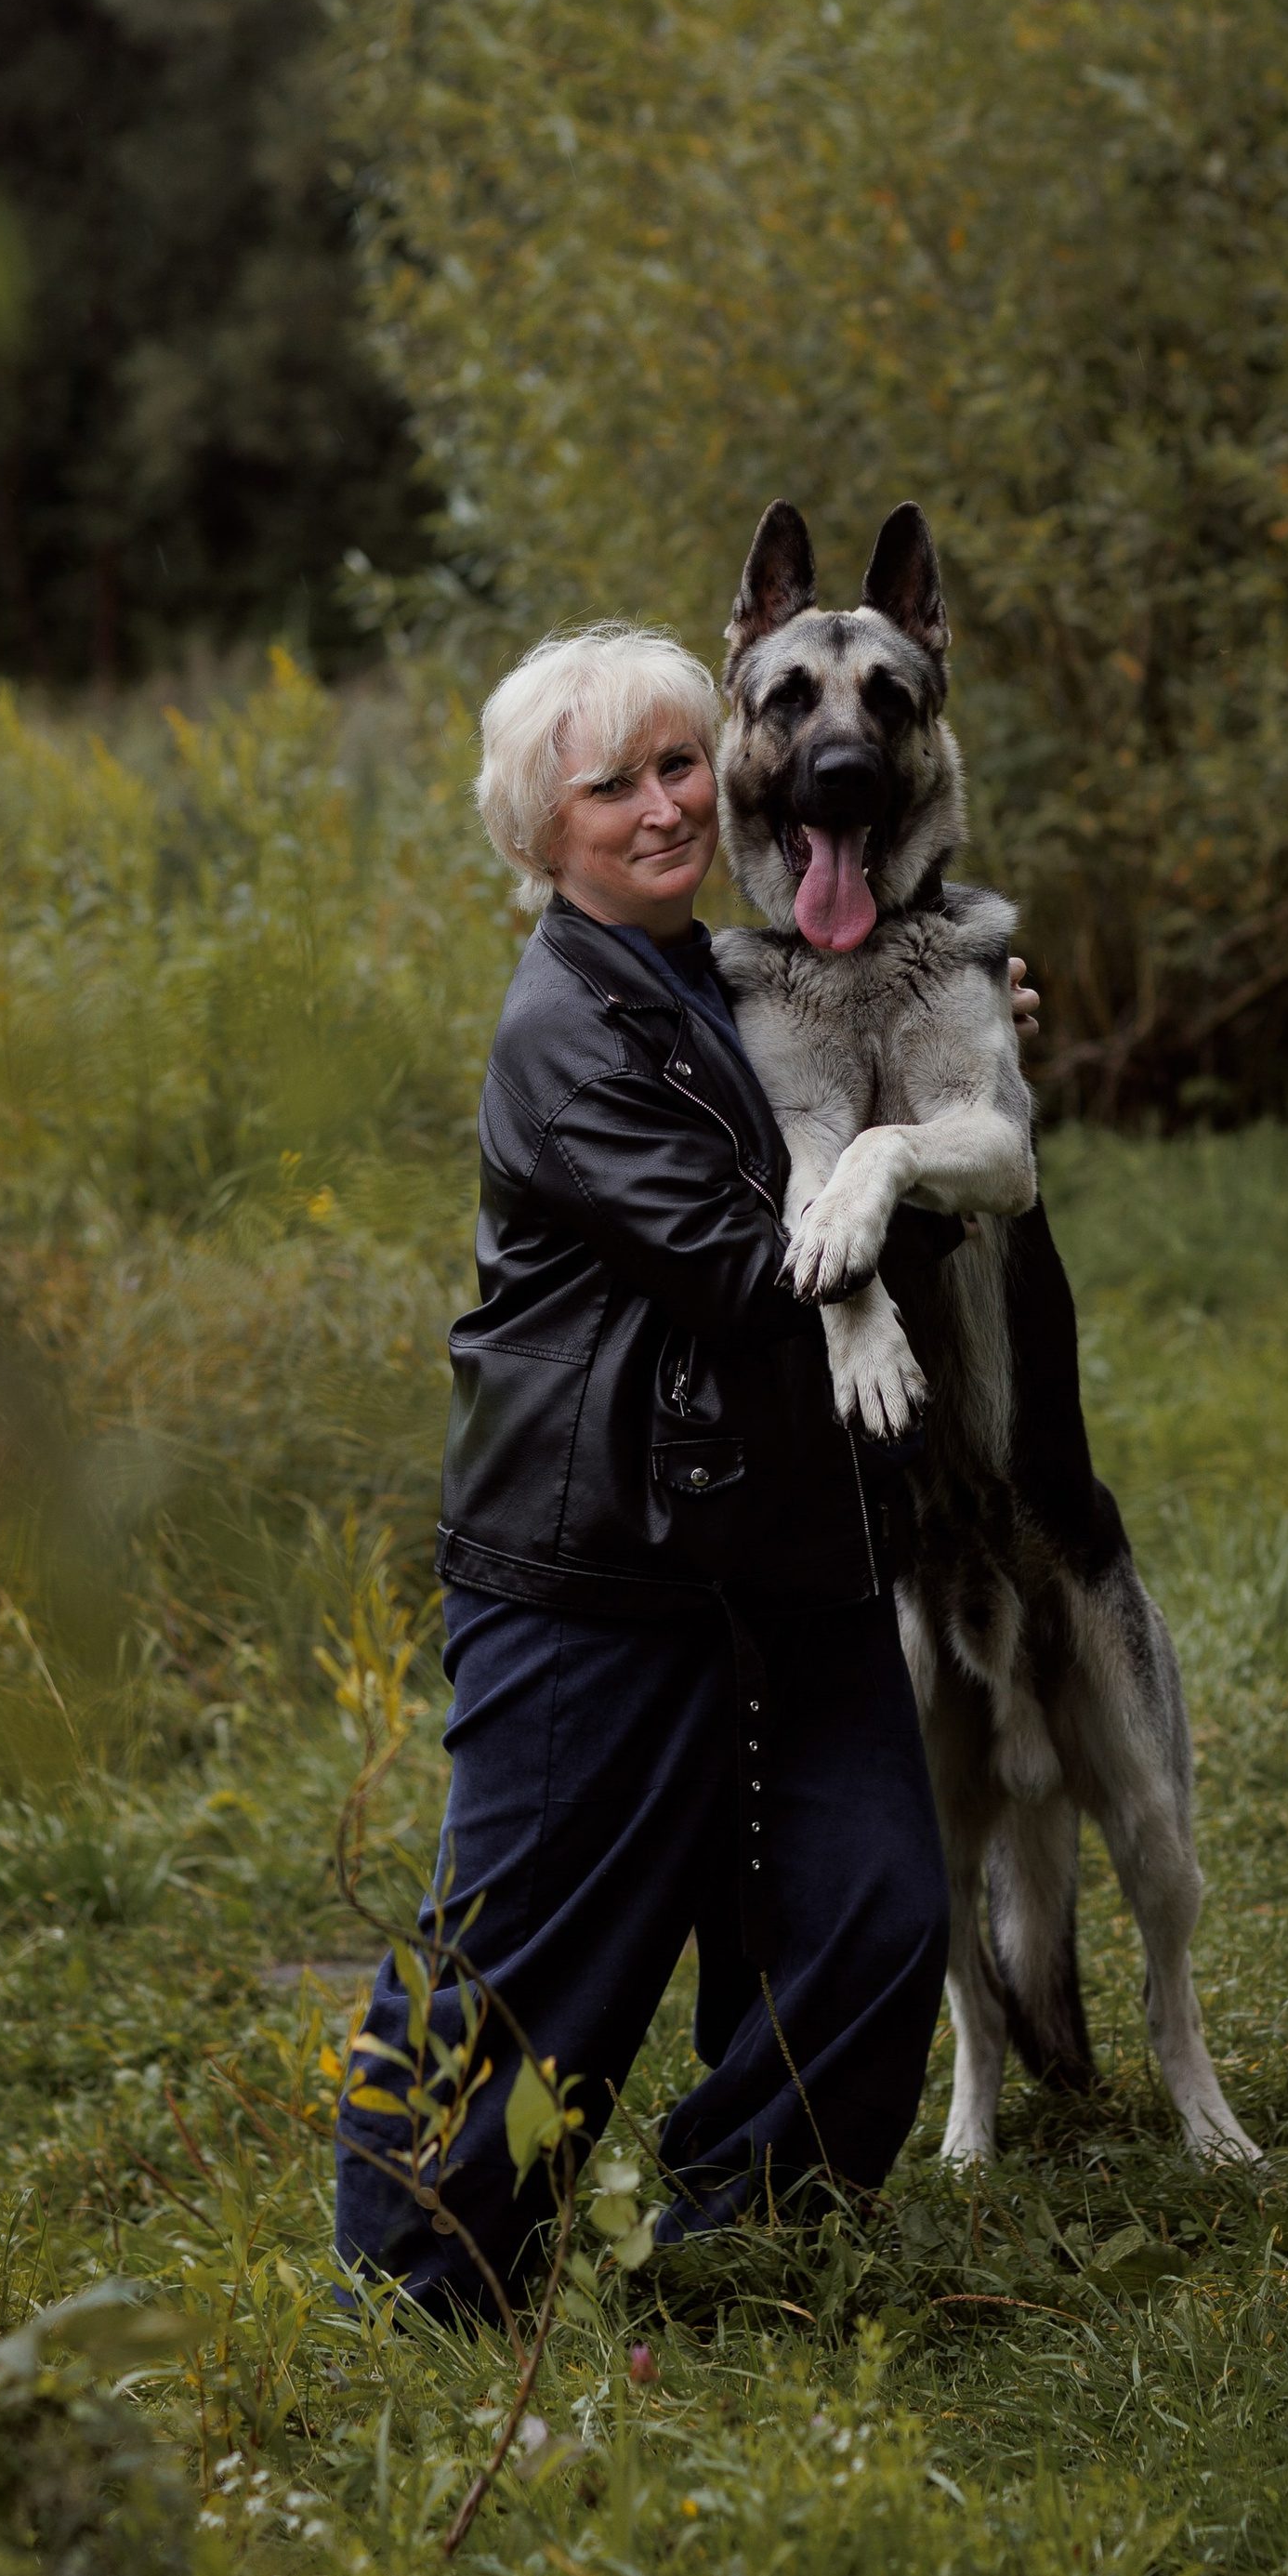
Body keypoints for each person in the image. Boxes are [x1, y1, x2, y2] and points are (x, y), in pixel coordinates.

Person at [332, 623, 1036, 2315]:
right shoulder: (565, 1032)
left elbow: (876, 1069)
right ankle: (407, 2274)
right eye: (609, 786)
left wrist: (965, 1039)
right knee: (530, 1955)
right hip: (593, 1562)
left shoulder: (725, 971)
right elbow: (748, 1267)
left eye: (674, 767)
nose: (660, 809)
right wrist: (920, 1161)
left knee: (873, 1905)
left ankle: (738, 2244)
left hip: (784, 1543)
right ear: (537, 834)